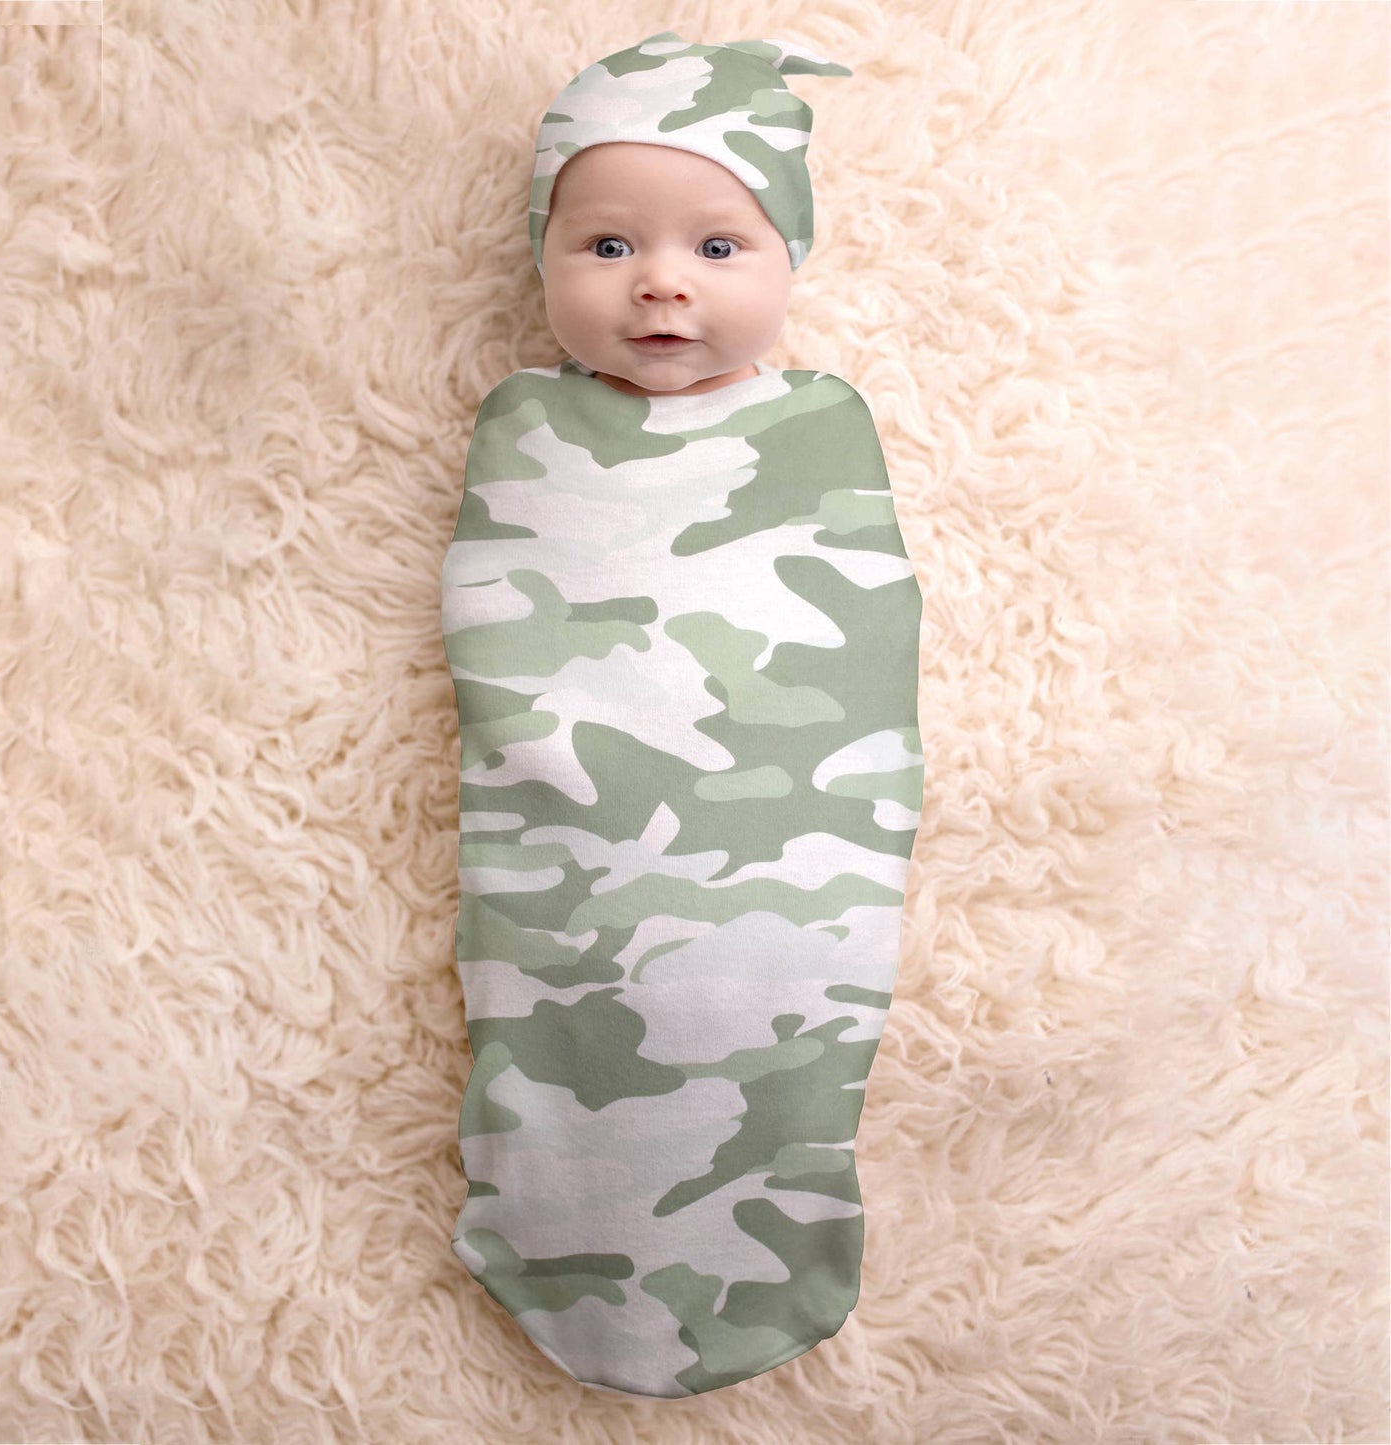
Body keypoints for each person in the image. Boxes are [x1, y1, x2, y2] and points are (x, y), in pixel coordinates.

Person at [439, 31, 925, 1398]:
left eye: (718, 246)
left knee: (761, 998)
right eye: (603, 246)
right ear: (541, 256)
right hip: (575, 846)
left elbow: (862, 653)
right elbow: (502, 633)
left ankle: (770, 1200)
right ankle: (558, 1217)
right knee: (577, 991)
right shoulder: (527, 432)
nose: (659, 280)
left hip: (786, 838)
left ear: (788, 261)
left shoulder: (817, 430)